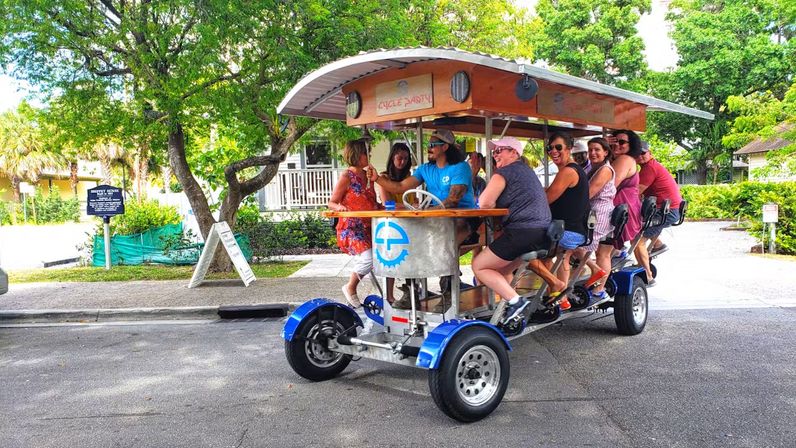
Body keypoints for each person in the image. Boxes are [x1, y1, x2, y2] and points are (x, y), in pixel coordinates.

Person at [468, 137, 560, 323]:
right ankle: (510, 312)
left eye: (500, 150)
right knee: (501, 270)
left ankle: (515, 302)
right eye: (494, 151)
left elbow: (484, 203)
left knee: (479, 265)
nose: (495, 154)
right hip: (542, 232)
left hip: (522, 232)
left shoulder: (504, 172)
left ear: (514, 153)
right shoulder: (527, 171)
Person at [368, 129, 477, 244]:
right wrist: (377, 178)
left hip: (462, 219)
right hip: (437, 219)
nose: (428, 148)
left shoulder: (460, 167)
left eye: (432, 145)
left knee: (441, 245)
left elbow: (452, 201)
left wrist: (425, 212)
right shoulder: (425, 169)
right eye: (428, 145)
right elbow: (400, 186)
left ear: (445, 147)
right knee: (413, 240)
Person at [328, 139, 379, 308]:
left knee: (383, 256)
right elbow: (332, 202)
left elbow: (373, 202)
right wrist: (340, 207)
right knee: (368, 258)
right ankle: (350, 287)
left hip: (369, 227)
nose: (369, 155)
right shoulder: (346, 176)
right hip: (351, 228)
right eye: (366, 152)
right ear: (357, 154)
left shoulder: (368, 175)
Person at [544, 132, 591, 309]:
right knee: (561, 257)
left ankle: (554, 290)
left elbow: (546, 199)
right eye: (550, 148)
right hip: (574, 231)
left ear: (569, 148)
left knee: (527, 250)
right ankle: (560, 299)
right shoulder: (573, 170)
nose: (553, 151)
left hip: (566, 232)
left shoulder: (568, 171)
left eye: (558, 147)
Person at [572, 138, 616, 299]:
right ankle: (599, 289)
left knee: (573, 245)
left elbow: (588, 193)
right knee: (602, 254)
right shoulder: (594, 168)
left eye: (597, 149)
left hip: (599, 214)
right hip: (598, 213)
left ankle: (597, 276)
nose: (592, 153)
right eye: (590, 150)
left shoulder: (604, 170)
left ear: (606, 152)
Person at [634, 142, 683, 286]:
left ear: (650, 153)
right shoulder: (650, 166)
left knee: (637, 242)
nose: (641, 156)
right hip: (668, 209)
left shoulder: (649, 168)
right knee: (638, 229)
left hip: (666, 211)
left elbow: (636, 192)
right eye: (638, 154)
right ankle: (658, 245)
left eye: (643, 153)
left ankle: (647, 276)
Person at [375, 142, 413, 304]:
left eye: (405, 158)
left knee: (413, 257)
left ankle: (412, 289)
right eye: (399, 158)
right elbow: (387, 203)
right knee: (391, 258)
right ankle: (389, 296)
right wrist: (409, 206)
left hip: (411, 222)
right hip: (392, 224)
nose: (402, 162)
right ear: (392, 158)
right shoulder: (384, 178)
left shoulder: (409, 177)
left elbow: (415, 198)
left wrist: (413, 205)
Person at [608, 130, 643, 256]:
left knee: (603, 253)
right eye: (614, 141)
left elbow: (609, 186)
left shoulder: (624, 159)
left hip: (621, 210)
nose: (617, 144)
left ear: (631, 145)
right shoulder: (625, 159)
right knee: (605, 252)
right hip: (626, 208)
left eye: (622, 142)